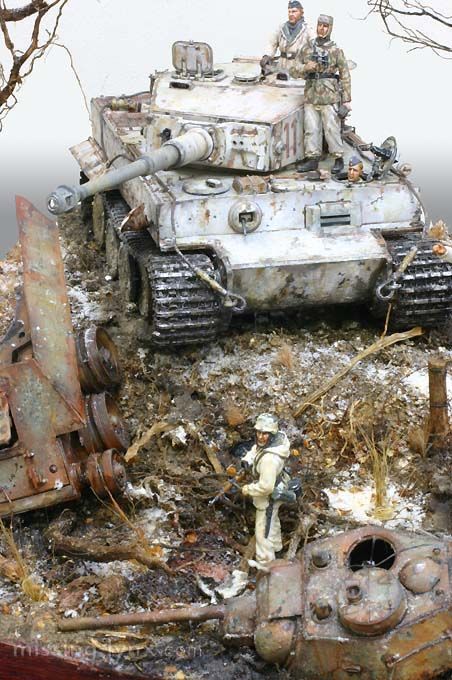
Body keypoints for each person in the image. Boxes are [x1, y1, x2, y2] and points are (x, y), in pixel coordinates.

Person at [293, 15, 351, 175]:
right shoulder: (306, 48)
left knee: (331, 128)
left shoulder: (336, 50)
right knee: (311, 129)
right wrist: (305, 67)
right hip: (311, 94)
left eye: (326, 26)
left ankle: (338, 157)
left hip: (329, 96)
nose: (322, 29)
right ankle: (312, 158)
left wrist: (346, 101)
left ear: (330, 28)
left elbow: (345, 74)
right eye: (320, 25)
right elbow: (293, 68)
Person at [241, 413, 291, 569]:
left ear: (272, 434)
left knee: (263, 532)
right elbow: (256, 449)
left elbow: (265, 487)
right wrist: (248, 460)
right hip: (280, 483)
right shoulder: (276, 441)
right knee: (272, 521)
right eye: (259, 432)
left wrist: (248, 489)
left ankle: (266, 565)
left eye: (265, 434)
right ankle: (277, 548)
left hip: (270, 495)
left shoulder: (270, 460)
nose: (261, 437)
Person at [260, 1, 313, 74]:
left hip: (298, 67)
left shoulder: (308, 30)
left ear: (301, 13)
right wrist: (267, 55)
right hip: (281, 66)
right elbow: (271, 43)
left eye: (294, 11)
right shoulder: (281, 28)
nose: (291, 14)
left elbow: (315, 45)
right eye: (289, 12)